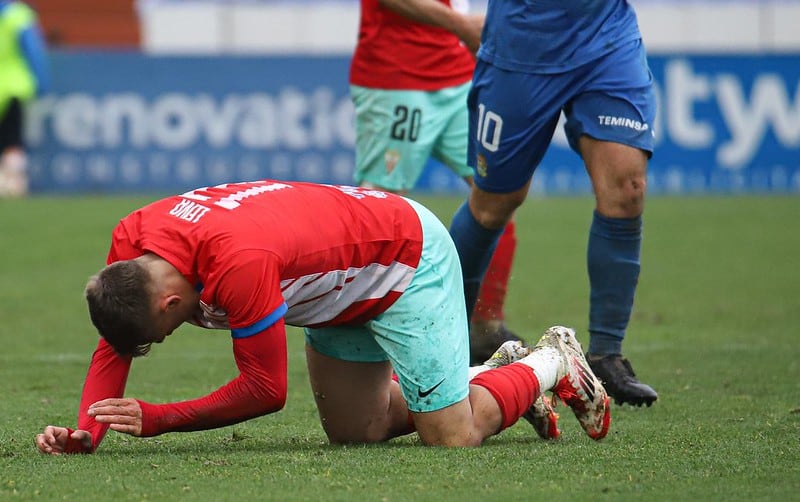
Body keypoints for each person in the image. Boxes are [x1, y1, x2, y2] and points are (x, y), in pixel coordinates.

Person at [35, 180, 609, 454]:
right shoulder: (133, 245)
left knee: (451, 436)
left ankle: (548, 363)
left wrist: (157, 417)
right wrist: (90, 428)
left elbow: (265, 390)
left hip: (405, 259)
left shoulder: (236, 264)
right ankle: (491, 377)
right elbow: (116, 342)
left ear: (168, 304)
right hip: (336, 287)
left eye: (159, 336)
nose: (161, 341)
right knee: (360, 432)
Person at [448, 0, 659, 406]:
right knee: (495, 202)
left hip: (605, 39)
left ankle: (605, 354)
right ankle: (452, 335)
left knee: (627, 188)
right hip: (521, 46)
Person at [349, 0, 522, 364]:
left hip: (460, 78)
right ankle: (358, 330)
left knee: (498, 193)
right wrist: (460, 25)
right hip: (396, 80)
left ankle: (484, 329)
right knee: (379, 214)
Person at [0, 0, 49, 197]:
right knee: (12, 140)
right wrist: (42, 81)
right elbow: (33, 51)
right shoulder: (17, 14)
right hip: (12, 87)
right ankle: (13, 186)